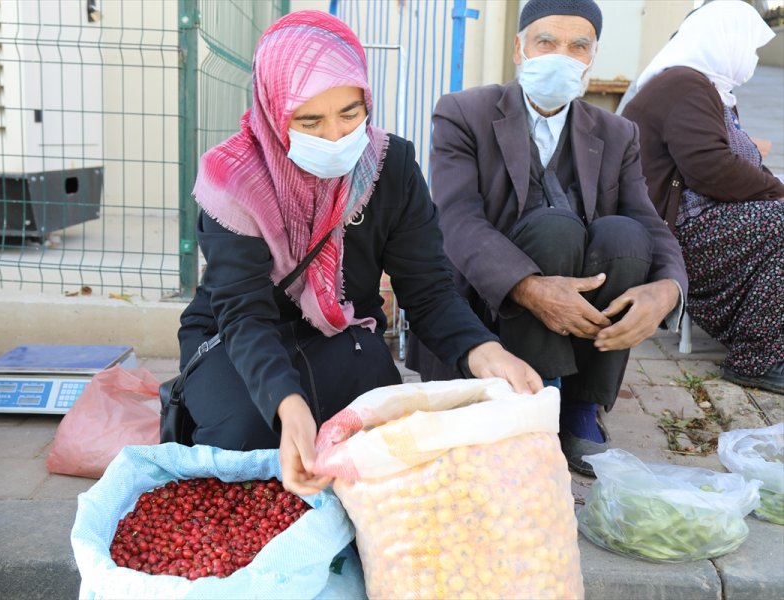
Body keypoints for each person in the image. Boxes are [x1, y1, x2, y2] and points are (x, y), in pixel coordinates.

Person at [176, 10, 542, 495]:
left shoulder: (390, 169)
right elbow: (243, 314)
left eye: (350, 114)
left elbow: (429, 291)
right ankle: (196, 406)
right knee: (250, 440)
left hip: (339, 329)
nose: (335, 136)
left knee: (370, 445)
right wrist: (288, 405)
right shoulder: (234, 181)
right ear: (273, 111)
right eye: (309, 120)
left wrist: (485, 352)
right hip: (236, 335)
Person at [406, 0, 688, 476]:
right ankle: (536, 401)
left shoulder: (617, 133)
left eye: (579, 46)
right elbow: (456, 220)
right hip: (486, 306)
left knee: (625, 235)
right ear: (519, 49)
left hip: (580, 294)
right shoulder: (463, 112)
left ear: (592, 56)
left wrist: (670, 289)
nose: (562, 55)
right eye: (546, 42)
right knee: (554, 227)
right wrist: (530, 287)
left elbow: (650, 221)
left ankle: (579, 407)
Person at [622, 0, 783, 394]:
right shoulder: (684, 85)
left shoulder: (708, 88)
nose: (752, 56)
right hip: (680, 234)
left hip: (707, 221)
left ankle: (767, 336)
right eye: (750, 45)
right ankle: (755, 358)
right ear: (725, 40)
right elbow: (712, 170)